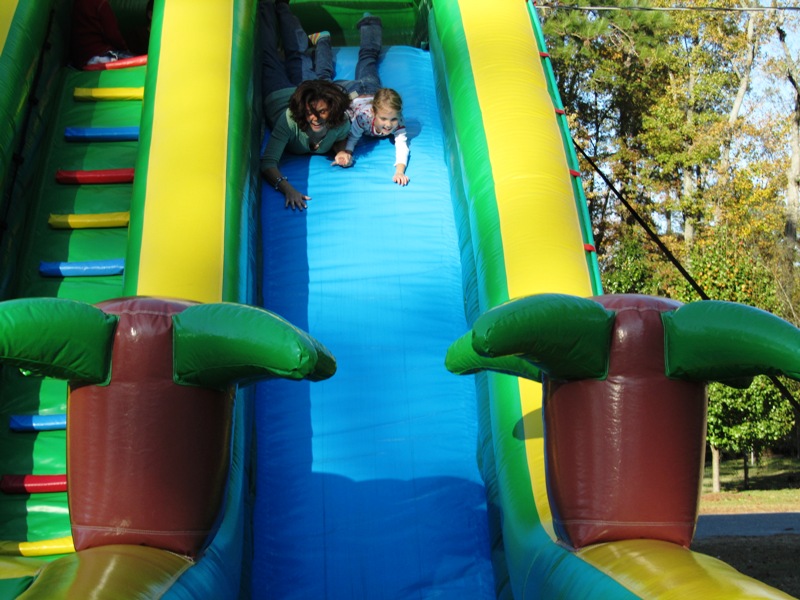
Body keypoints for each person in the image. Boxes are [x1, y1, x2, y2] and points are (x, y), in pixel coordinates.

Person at [259, 0, 352, 211]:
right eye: (310, 113)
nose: (315, 118)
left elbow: (340, 137)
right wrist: (287, 189)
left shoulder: (340, 122)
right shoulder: (291, 121)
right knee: (270, 55)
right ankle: (265, 5)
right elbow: (268, 163)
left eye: (322, 112)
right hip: (278, 93)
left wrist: (341, 151)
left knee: (298, 56)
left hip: (305, 92)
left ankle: (282, 6)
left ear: (332, 110)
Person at [332, 15, 410, 186]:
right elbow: (353, 137)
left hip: (373, 91)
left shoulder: (398, 120)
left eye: (393, 119)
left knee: (367, 59)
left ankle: (370, 24)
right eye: (384, 118)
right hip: (354, 93)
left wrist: (399, 171)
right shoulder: (363, 118)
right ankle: (323, 46)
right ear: (374, 113)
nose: (389, 125)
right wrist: (348, 152)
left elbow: (402, 146)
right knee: (328, 87)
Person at [70, 0, 135, 68]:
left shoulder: (78, 3)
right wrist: (125, 49)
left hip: (82, 59)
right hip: (100, 56)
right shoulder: (101, 4)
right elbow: (113, 36)